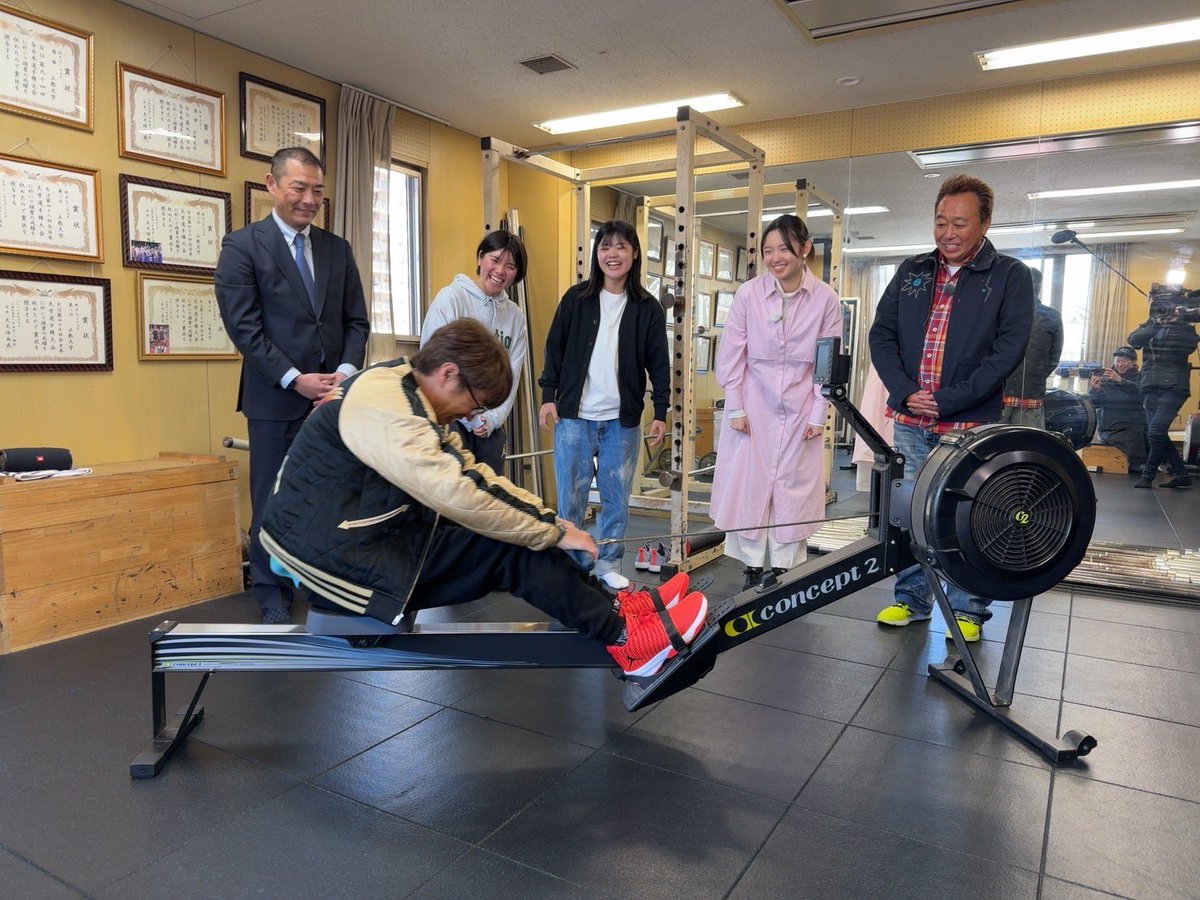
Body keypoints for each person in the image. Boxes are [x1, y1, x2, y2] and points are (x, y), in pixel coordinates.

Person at [259, 318, 708, 678]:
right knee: (508, 551)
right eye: (475, 405)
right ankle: (629, 643)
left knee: (521, 534)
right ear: (449, 373)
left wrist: (551, 523)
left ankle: (619, 608)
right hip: (329, 558)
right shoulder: (389, 407)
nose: (473, 416)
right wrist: (549, 530)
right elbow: (459, 492)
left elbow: (473, 474)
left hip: (358, 531)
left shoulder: (405, 386)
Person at [869, 174, 1033, 642]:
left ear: (984, 223)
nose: (948, 233)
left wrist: (946, 399)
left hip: (969, 422)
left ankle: (967, 610)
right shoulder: (913, 270)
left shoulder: (1009, 276)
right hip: (910, 419)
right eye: (941, 222)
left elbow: (1008, 350)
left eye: (959, 223)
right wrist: (903, 391)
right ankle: (912, 600)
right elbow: (881, 335)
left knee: (968, 515)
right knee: (911, 513)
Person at [216, 147, 370, 624]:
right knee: (272, 497)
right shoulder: (242, 246)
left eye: (317, 190)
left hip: (331, 399)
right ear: (272, 185)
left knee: (329, 495)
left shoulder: (336, 248)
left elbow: (356, 322)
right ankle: (271, 592)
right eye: (298, 188)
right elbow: (245, 328)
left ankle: (322, 584)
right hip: (275, 397)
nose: (309, 199)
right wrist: (293, 378)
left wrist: (342, 376)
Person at [710, 214, 843, 591]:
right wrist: (734, 407)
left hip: (802, 404)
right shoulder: (749, 294)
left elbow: (827, 361)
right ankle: (752, 565)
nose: (775, 257)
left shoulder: (825, 298)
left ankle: (784, 568)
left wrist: (820, 413)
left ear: (804, 249)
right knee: (752, 484)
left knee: (792, 487)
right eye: (768, 251)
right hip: (754, 403)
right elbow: (732, 354)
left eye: (783, 248)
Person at [538, 220, 670, 592]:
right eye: (605, 247)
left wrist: (660, 412)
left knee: (616, 498)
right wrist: (548, 398)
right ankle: (571, 564)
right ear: (597, 255)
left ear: (634, 254)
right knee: (571, 498)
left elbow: (659, 364)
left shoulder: (647, 308)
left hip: (622, 420)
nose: (612, 255)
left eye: (621, 247)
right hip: (574, 417)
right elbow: (554, 351)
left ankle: (609, 562)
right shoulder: (576, 299)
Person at [420, 231, 529, 473]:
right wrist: (462, 413)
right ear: (480, 258)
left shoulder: (515, 316)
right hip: (451, 420)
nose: (500, 270)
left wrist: (492, 419)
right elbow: (431, 362)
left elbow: (513, 375)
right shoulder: (452, 298)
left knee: (489, 493)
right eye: (495, 259)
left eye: (510, 266)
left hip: (489, 425)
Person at [1128, 287, 1200, 489]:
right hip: (1150, 385)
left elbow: (1188, 347)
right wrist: (1156, 323)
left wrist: (1177, 323)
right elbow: (1133, 341)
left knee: (1156, 431)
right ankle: (1182, 474)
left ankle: (1148, 475)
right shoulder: (1152, 324)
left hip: (1174, 387)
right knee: (1155, 432)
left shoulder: (1186, 329)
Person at [1000, 268, 1063, 428]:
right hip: (1031, 391)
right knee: (1026, 445)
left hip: (997, 390)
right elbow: (1053, 359)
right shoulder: (1052, 316)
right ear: (1039, 287)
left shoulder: (1000, 312)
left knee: (991, 445)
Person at [1088, 346, 1148, 472]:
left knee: (1144, 436)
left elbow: (1138, 398)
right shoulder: (1105, 378)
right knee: (1129, 440)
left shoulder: (1140, 378)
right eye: (1118, 360)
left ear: (1134, 362)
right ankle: (1137, 462)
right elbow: (1095, 403)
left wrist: (1120, 380)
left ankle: (1139, 463)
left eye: (1125, 361)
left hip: (1132, 423)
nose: (1120, 364)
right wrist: (1096, 390)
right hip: (1110, 426)